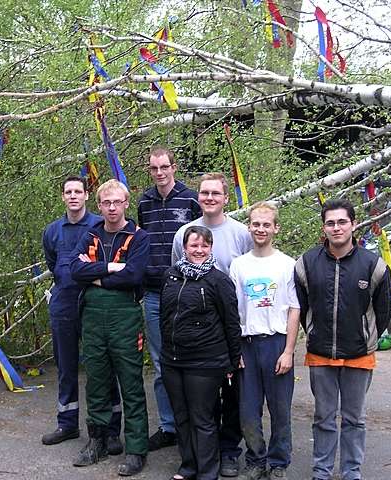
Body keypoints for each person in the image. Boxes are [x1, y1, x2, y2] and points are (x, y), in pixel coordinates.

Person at [294, 198, 391, 480]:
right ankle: (322, 471)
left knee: (354, 419)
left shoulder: (372, 265)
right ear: (323, 227)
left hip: (359, 354)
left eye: (341, 222)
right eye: (330, 223)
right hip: (320, 353)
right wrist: (314, 331)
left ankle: (352, 472)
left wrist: (364, 334)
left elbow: (385, 308)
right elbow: (302, 307)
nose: (336, 228)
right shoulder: (307, 263)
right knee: (323, 418)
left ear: (353, 224)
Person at [172, 172, 253, 477]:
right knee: (203, 399)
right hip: (196, 333)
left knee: (232, 393)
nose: (209, 198)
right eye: (204, 192)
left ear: (225, 198)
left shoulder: (240, 233)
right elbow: (176, 276)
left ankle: (229, 449)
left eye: (215, 193)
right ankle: (201, 451)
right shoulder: (185, 233)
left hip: (231, 325)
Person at [70, 179, 150, 476]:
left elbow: (133, 276)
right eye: (106, 203)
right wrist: (111, 268)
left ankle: (136, 449)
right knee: (96, 382)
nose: (112, 208)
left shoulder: (139, 237)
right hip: (92, 318)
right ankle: (97, 441)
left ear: (126, 203)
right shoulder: (91, 234)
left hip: (124, 319)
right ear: (99, 205)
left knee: (131, 384)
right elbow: (74, 270)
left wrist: (97, 276)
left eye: (117, 202)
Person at [41, 176, 123, 452]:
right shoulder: (52, 231)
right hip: (64, 305)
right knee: (66, 366)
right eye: (68, 192)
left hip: (94, 304)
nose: (73, 196)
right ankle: (67, 423)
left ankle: (110, 430)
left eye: (78, 191)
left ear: (87, 196)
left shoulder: (99, 227)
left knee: (102, 367)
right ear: (63, 197)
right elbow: (53, 264)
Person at [161, 225, 242, 480]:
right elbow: (164, 315)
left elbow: (231, 322)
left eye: (203, 245)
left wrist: (232, 359)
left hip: (206, 360)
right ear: (184, 247)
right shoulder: (171, 276)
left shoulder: (219, 280)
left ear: (210, 248)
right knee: (181, 416)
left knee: (202, 417)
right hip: (173, 359)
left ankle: (208, 472)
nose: (198, 250)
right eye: (193, 245)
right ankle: (188, 467)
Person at [229, 202, 300, 480]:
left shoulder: (287, 265)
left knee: (280, 410)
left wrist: (289, 350)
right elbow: (232, 310)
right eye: (256, 224)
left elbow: (295, 308)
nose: (260, 229)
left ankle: (279, 461)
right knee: (248, 411)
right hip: (247, 344)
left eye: (266, 224)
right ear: (249, 226)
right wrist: (235, 349)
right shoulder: (239, 265)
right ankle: (256, 459)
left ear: (275, 228)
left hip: (277, 343)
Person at [137, 145, 201, 451]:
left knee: (191, 360)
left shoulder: (190, 199)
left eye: (164, 167)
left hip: (186, 292)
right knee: (162, 364)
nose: (160, 173)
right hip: (153, 294)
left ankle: (195, 424)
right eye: (154, 168)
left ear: (174, 167)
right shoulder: (144, 203)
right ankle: (168, 426)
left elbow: (202, 243)